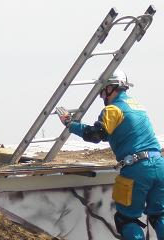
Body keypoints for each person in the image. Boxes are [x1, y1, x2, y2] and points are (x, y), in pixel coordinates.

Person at [57, 69, 164, 240]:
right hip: (159, 165)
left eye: (102, 93)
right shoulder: (137, 106)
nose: (101, 97)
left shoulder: (113, 110)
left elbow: (95, 135)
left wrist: (70, 124)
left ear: (110, 88)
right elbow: (117, 134)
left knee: (126, 220)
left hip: (137, 170)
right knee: (159, 216)